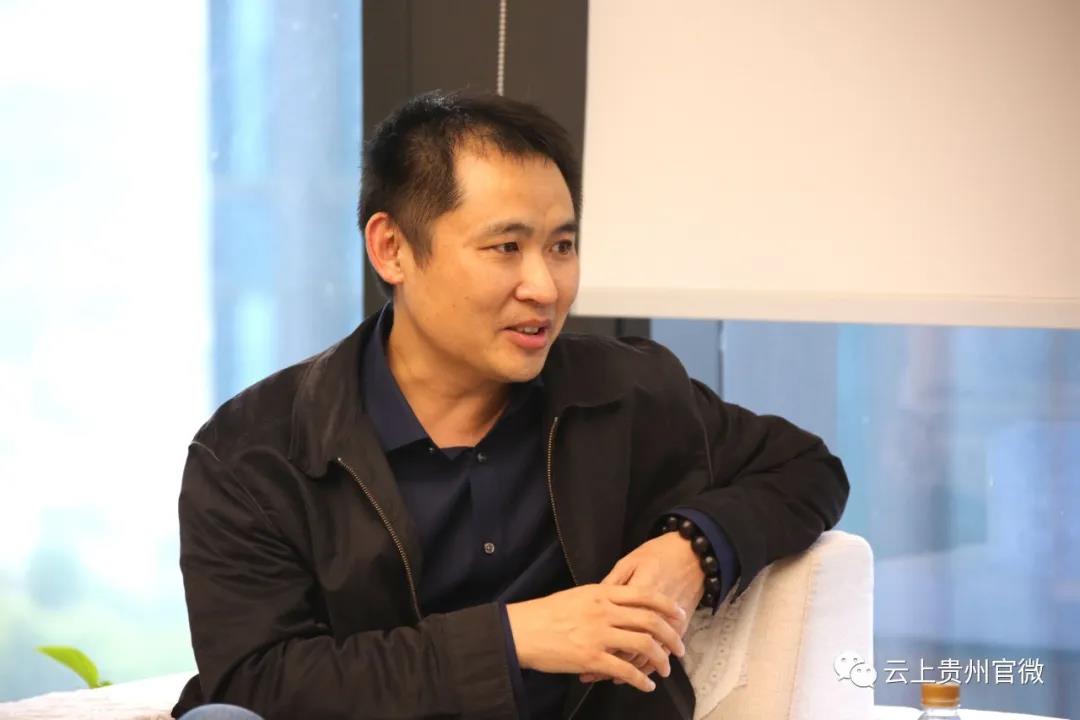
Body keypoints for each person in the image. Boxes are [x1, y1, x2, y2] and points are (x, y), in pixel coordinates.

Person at [172, 90, 849, 720]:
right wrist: (513, 638)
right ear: (392, 249)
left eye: (562, 246)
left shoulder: (623, 391)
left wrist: (690, 550)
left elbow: (807, 469)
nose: (545, 287)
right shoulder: (255, 453)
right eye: (506, 247)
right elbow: (255, 681)